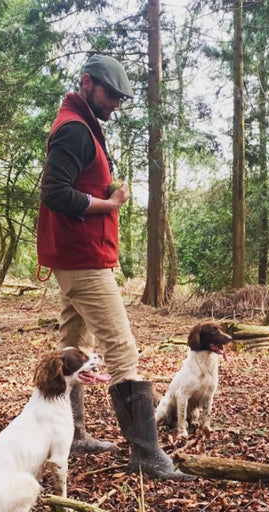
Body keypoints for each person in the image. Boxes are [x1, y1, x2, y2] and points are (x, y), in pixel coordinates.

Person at [37, 54, 191, 481]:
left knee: (71, 344)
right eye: (110, 95)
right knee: (123, 350)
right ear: (87, 84)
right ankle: (145, 453)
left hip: (73, 254)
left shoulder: (82, 123)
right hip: (82, 258)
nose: (115, 105)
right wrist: (110, 203)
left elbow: (73, 185)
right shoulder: (74, 128)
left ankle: (70, 434)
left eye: (121, 99)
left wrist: (103, 188)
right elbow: (55, 193)